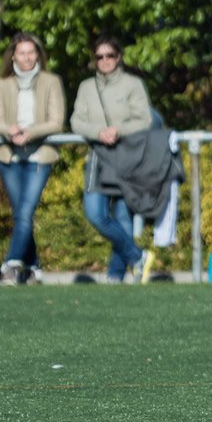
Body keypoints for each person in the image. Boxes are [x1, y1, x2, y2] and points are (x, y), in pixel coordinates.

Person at [70, 37, 153, 284]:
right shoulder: (86, 87)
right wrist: (99, 132)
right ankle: (138, 257)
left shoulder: (133, 84)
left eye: (110, 55)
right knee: (95, 213)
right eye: (99, 56)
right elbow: (76, 121)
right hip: (98, 156)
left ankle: (115, 276)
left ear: (119, 57)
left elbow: (144, 120)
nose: (105, 61)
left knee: (124, 217)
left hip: (128, 156)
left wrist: (118, 130)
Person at [0, 33, 66, 285]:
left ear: (38, 55)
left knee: (25, 211)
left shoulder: (51, 82)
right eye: (21, 52)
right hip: (9, 157)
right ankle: (33, 267)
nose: (26, 57)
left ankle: (11, 264)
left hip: (39, 156)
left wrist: (29, 133)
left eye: (31, 52)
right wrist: (10, 130)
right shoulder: (1, 83)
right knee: (21, 213)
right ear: (13, 55)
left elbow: (56, 121)